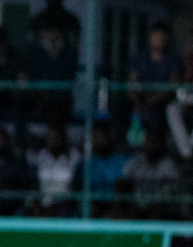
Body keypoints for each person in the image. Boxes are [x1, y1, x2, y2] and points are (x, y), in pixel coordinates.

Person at [129, 21, 183, 151]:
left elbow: (172, 88)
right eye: (155, 36)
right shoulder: (140, 58)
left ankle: (154, 149)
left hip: (161, 103)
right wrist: (138, 103)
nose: (158, 40)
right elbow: (131, 84)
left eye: (161, 37)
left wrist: (150, 102)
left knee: (158, 115)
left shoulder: (172, 60)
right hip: (140, 101)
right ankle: (133, 146)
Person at [121, 128, 186, 220]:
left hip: (161, 208)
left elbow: (170, 195)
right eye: (149, 141)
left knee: (158, 211)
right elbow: (123, 182)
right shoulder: (136, 161)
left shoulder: (169, 165)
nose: (151, 145)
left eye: (155, 142)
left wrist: (148, 206)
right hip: (137, 206)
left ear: (162, 144)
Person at [75, 124, 127, 216]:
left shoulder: (122, 161)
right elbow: (78, 189)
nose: (98, 140)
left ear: (109, 137)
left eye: (101, 136)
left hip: (116, 207)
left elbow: (125, 189)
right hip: (93, 206)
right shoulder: (85, 163)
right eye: (95, 137)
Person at [33, 123, 80, 217]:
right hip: (43, 205)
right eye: (50, 137)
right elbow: (34, 185)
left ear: (62, 138)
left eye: (55, 137)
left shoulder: (74, 157)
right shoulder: (40, 156)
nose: (52, 141)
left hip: (66, 205)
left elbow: (77, 185)